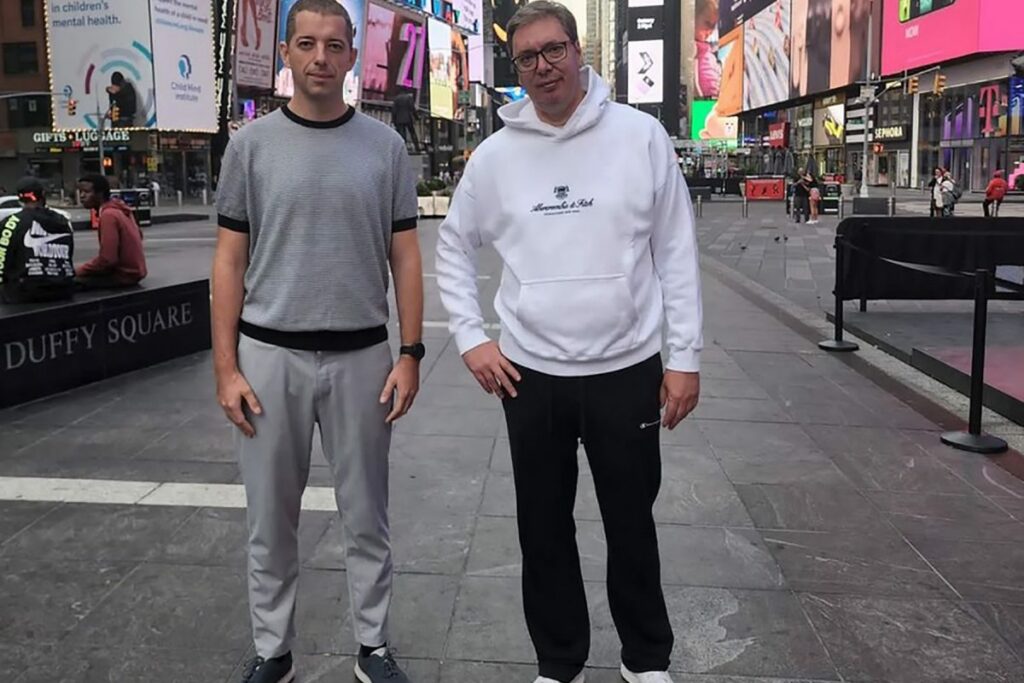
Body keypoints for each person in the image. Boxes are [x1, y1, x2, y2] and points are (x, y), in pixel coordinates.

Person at [435, 4, 702, 683]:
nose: (544, 66)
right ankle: (558, 661)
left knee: (631, 523)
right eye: (527, 57)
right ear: (516, 68)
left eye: (554, 49)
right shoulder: (494, 158)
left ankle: (646, 659)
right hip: (530, 375)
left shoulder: (640, 137)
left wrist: (684, 358)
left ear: (579, 51)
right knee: (543, 527)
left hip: (627, 369)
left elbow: (676, 250)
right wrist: (470, 338)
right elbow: (452, 247)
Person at [211, 1, 424, 682]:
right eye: (306, 44)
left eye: (335, 45)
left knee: (367, 514)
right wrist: (226, 368)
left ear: (353, 55)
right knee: (269, 519)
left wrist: (411, 353)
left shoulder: (385, 149)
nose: (321, 58)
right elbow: (229, 261)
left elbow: (406, 257)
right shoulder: (250, 147)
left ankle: (373, 646)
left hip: (363, 356)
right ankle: (273, 651)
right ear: (286, 53)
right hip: (267, 356)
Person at [0, 177, 75, 304]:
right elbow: (69, 254)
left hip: (25, 293)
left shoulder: (11, 223)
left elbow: (2, 259)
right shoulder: (62, 221)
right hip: (63, 289)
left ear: (20, 197)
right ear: (43, 194)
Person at [75, 174, 147, 289]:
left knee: (68, 283)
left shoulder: (108, 215)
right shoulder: (121, 209)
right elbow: (139, 235)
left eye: (87, 192)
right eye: (80, 192)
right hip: (135, 272)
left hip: (123, 275)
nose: (82, 196)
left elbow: (108, 260)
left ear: (100, 194)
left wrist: (78, 270)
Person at [693, 0, 721, 98]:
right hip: (702, 101)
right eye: (707, 23)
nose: (710, 30)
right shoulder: (693, 49)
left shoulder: (707, 49)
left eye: (713, 26)